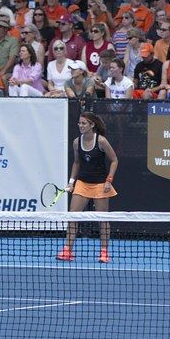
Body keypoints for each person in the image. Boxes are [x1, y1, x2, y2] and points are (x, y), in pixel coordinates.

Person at [57, 111, 119, 264]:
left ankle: (104, 252)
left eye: (84, 123)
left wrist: (108, 180)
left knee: (102, 219)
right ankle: (68, 250)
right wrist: (71, 181)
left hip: (100, 184)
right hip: (82, 183)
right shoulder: (77, 142)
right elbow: (77, 162)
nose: (80, 125)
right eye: (79, 123)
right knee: (72, 216)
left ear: (92, 125)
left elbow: (114, 160)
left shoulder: (102, 141)